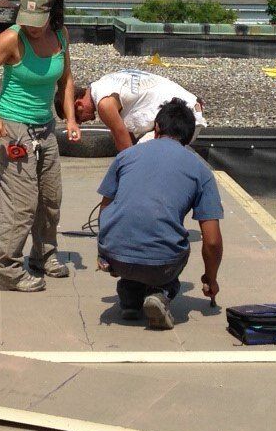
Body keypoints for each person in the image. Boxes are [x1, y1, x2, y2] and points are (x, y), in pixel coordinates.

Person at [0, 0, 80, 292]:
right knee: (22, 203)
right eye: (26, 22)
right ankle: (6, 270)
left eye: (37, 23)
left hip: (45, 126)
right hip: (12, 128)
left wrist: (70, 118)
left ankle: (43, 255)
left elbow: (67, 80)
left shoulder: (61, 36)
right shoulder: (11, 39)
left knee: (50, 198)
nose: (30, 29)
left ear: (52, 15)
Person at [94, 99, 223, 330]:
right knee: (177, 246)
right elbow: (212, 241)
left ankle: (130, 297)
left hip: (114, 256)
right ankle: (161, 292)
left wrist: (103, 251)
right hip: (161, 264)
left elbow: (105, 208)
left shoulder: (126, 156)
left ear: (156, 128)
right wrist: (210, 279)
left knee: (135, 250)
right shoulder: (201, 171)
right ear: (189, 136)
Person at [75, 70, 206, 152]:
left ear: (78, 104)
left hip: (182, 118)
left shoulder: (104, 104)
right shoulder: (104, 83)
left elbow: (124, 144)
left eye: (77, 118)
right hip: (187, 109)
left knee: (142, 160)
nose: (80, 123)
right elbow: (128, 135)